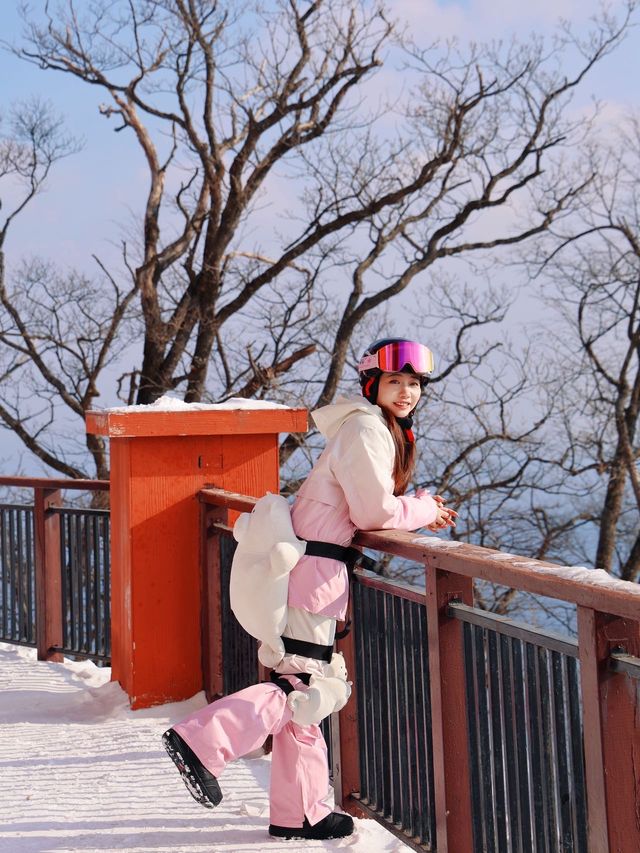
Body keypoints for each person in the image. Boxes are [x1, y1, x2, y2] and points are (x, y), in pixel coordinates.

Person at [162, 337, 457, 841]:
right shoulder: (366, 429)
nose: (406, 392)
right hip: (315, 571)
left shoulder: (374, 428)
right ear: (374, 385)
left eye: (414, 383)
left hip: (316, 569)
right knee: (302, 688)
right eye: (395, 382)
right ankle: (202, 739)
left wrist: (413, 509)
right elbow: (372, 512)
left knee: (307, 690)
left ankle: (301, 813)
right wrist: (426, 508)